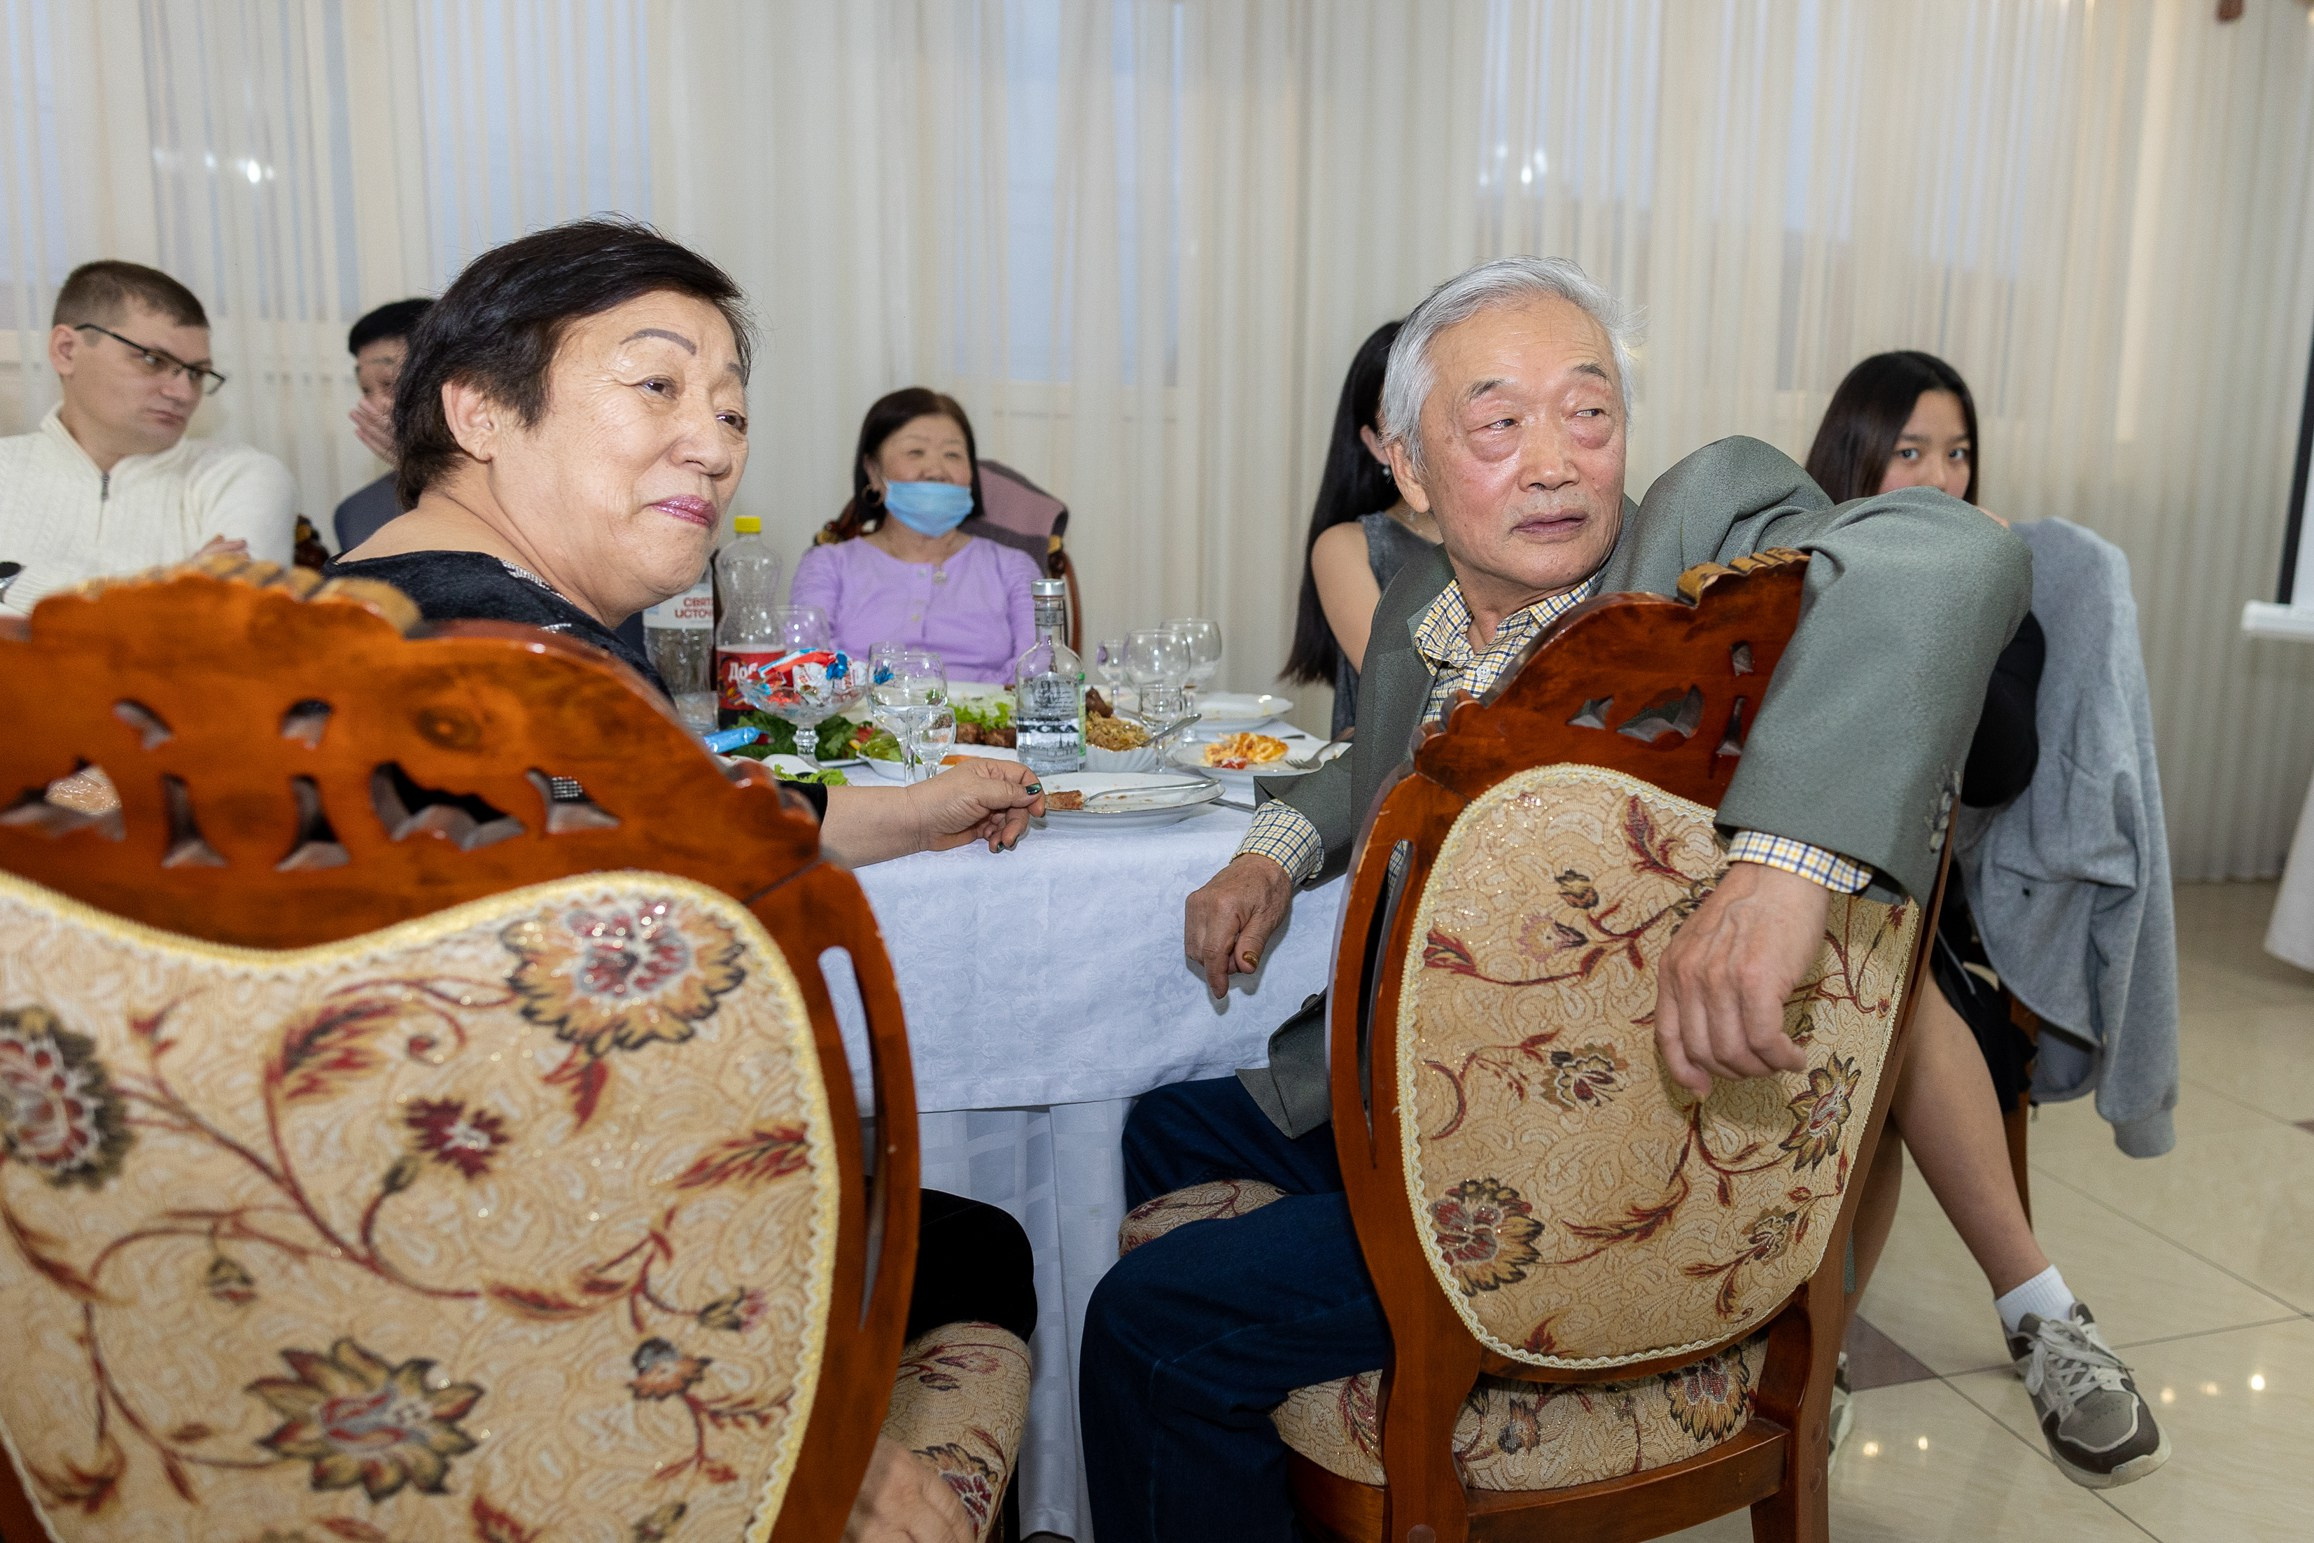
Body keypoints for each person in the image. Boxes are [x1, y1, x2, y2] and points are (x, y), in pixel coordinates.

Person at [1078, 256, 2038, 1543]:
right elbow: (1377, 775)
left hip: (1581, 1153)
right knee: (1166, 1131)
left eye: (1587, 415)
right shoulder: (1426, 602)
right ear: (1408, 474)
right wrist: (1270, 852)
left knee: (1145, 1326)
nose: (1554, 462)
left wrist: (1782, 863)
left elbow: (1946, 555)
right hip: (1405, 1095)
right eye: (1497, 425)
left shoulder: (1695, 541)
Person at [325, 218, 1036, 1543]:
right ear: (479, 406)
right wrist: (786, 1413)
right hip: (515, 1305)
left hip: (361, 1266)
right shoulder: (529, 667)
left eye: (729, 406)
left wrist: (913, 807)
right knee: (979, 1245)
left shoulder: (386, 605)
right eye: (655, 385)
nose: (710, 440)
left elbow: (696, 811)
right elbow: (566, 1137)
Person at [1806, 350, 2167, 1487]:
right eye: (1909, 449)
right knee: (1862, 977)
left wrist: (1958, 600)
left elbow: (2003, 762)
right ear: (1855, 455)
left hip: (1912, 918)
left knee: (1885, 986)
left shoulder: (1994, 594)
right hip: (1762, 888)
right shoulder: (1792, 561)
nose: (1940, 475)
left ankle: (2032, 1315)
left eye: (1955, 452)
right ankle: (1827, 1342)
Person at [0, 260, 295, 614]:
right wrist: (174, 583)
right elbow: (178, 615)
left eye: (197, 373)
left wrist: (13, 585)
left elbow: (225, 623)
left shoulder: (241, 476)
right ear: (66, 350)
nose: (184, 393)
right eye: (153, 360)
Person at [791, 388, 1039, 683]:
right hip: (861, 725)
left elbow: (1038, 667)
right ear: (872, 471)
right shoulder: (827, 565)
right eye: (915, 452)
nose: (936, 470)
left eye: (953, 454)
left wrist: (973, 712)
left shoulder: (1014, 568)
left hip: (990, 725)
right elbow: (807, 663)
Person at [1281, 320, 1442, 736]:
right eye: (1401, 417)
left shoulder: (1516, 535)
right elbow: (1404, 694)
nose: (1425, 432)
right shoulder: (1349, 547)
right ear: (1375, 444)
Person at [332, 296, 433, 553]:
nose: (376, 406)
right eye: (365, 390)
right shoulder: (357, 514)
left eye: (389, 384)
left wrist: (421, 470)